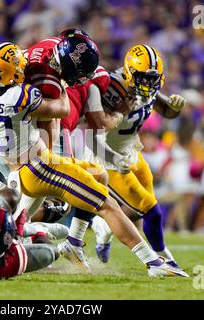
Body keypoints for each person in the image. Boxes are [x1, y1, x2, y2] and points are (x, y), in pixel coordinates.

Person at [0, 40, 186, 277]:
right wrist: (63, 81)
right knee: (104, 204)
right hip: (38, 167)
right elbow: (63, 109)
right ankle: (154, 263)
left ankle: (66, 241)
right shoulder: (21, 96)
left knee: (99, 174)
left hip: (15, 152)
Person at [78, 45, 187, 272]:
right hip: (106, 158)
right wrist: (114, 158)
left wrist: (175, 107)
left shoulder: (146, 86)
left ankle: (103, 228)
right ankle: (163, 260)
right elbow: (90, 136)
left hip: (131, 152)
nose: (147, 84)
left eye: (152, 79)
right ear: (129, 72)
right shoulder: (110, 88)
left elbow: (166, 111)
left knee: (140, 209)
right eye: (143, 78)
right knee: (151, 209)